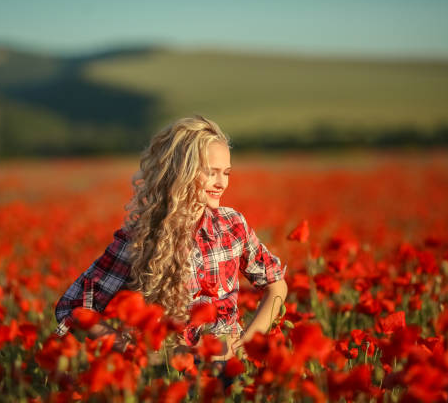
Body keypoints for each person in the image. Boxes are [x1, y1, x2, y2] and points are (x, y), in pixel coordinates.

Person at [54, 115, 287, 370]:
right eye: (211, 173)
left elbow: (276, 285)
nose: (221, 183)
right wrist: (132, 350)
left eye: (226, 173)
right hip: (172, 378)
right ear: (181, 172)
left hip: (229, 372)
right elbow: (74, 307)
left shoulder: (233, 226)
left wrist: (246, 343)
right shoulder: (141, 238)